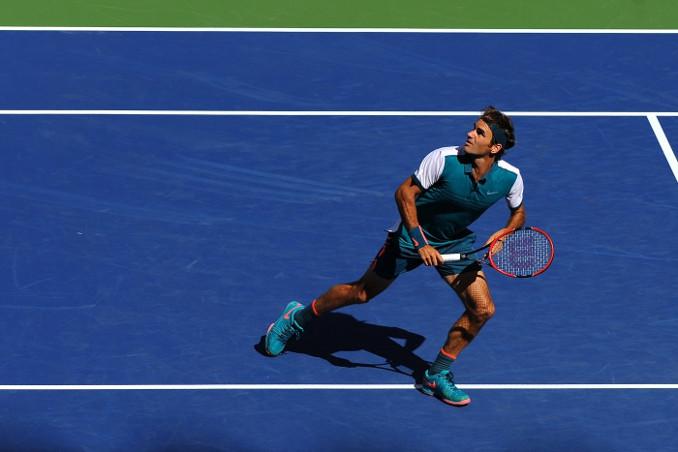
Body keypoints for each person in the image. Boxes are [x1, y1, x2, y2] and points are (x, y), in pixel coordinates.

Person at [264, 106, 525, 407]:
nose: (469, 133)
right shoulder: (444, 159)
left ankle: (435, 375)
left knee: (482, 310)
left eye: (480, 132)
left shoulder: (511, 178)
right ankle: (296, 318)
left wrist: (505, 232)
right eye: (473, 127)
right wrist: (420, 242)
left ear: (495, 147)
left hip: (455, 244)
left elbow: (518, 213)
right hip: (409, 237)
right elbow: (404, 194)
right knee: (361, 293)